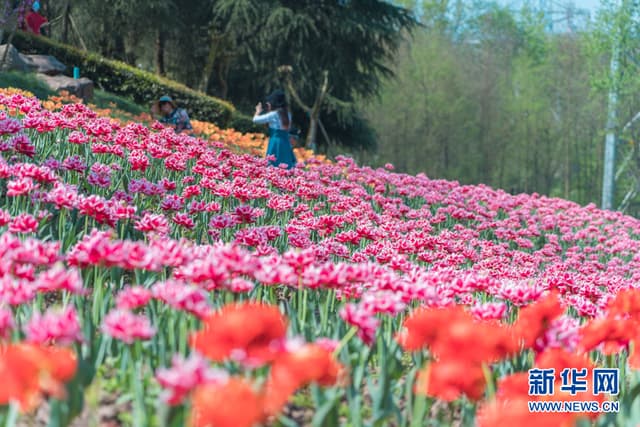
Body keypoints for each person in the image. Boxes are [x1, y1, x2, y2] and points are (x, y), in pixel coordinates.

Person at [253, 89, 297, 169]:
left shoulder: (274, 114)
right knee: (285, 165)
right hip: (285, 143)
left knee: (273, 165)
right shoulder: (288, 115)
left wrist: (258, 111)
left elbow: (255, 120)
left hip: (275, 142)